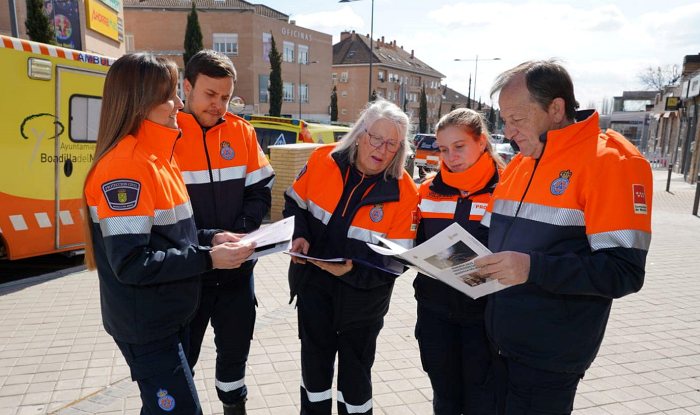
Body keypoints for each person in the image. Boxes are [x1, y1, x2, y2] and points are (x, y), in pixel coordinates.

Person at [475, 60, 653, 414]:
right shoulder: (522, 163)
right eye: (504, 120)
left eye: (517, 119)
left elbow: (623, 272)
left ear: (555, 108)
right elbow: (489, 238)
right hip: (499, 342)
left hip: (549, 357)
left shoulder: (612, 163)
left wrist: (532, 268)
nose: (508, 132)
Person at [83, 53, 254, 414]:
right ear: (139, 100)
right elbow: (131, 262)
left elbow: (173, 234)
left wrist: (211, 238)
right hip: (146, 324)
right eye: (170, 95)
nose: (178, 103)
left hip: (167, 317)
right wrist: (208, 259)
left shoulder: (159, 157)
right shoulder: (127, 166)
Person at [284, 99, 419, 415]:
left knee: (355, 383)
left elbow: (396, 262)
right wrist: (299, 235)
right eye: (376, 138)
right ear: (360, 134)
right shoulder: (322, 160)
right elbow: (294, 204)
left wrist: (351, 272)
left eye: (392, 144)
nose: (382, 149)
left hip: (362, 304)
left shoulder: (405, 192)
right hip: (314, 290)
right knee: (314, 374)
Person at [174, 49, 275, 415]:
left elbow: (260, 190)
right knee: (181, 359)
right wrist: (211, 239)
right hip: (190, 274)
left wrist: (241, 233)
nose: (218, 105)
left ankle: (234, 405)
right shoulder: (165, 135)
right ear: (187, 87)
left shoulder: (242, 132)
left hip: (237, 270)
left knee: (234, 355)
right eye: (210, 95)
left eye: (226, 97)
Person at [413, 108, 503, 414]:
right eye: (443, 149)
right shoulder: (427, 189)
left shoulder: (507, 189)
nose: (450, 156)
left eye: (459, 146)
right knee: (445, 397)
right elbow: (415, 242)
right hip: (435, 312)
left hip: (484, 318)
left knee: (482, 400)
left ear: (481, 143)